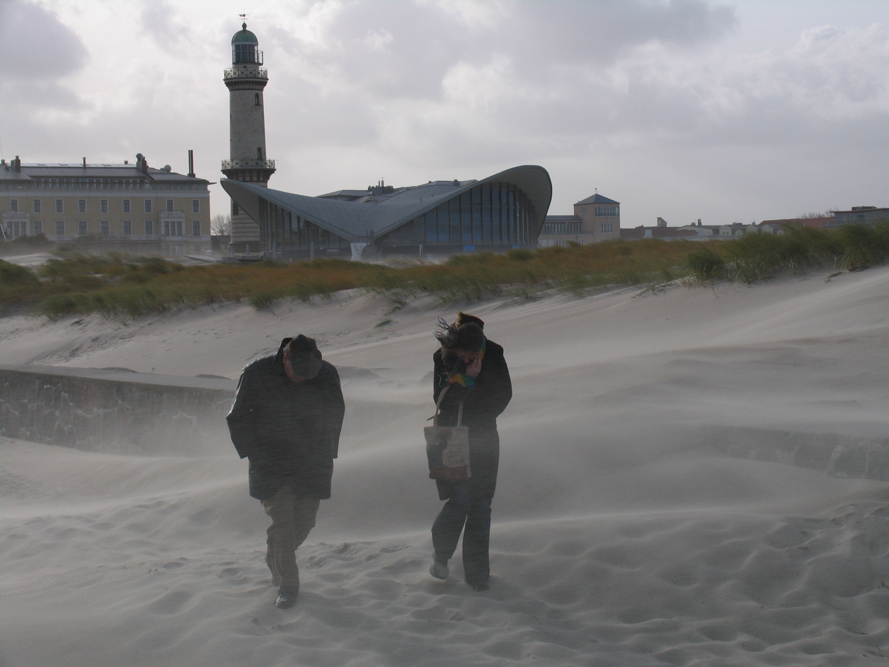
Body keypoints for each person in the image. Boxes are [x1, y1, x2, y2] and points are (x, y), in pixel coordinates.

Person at [226, 334, 345, 609]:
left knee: (305, 523)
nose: (303, 380)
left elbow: (335, 414)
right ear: (285, 358)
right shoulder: (256, 373)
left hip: (311, 460)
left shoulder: (326, 374)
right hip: (271, 462)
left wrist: (326, 451)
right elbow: (238, 418)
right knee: (283, 525)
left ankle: (275, 557)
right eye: (298, 374)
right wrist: (255, 454)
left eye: (309, 375)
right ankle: (288, 586)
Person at [429, 312, 512, 591]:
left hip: (484, 436)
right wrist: (466, 378)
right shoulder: (441, 357)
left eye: (471, 356)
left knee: (481, 504)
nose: (466, 360)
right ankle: (441, 557)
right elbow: (441, 402)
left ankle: (477, 575)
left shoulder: (495, 354)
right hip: (449, 438)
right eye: (462, 356)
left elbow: (503, 396)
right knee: (460, 499)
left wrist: (474, 410)